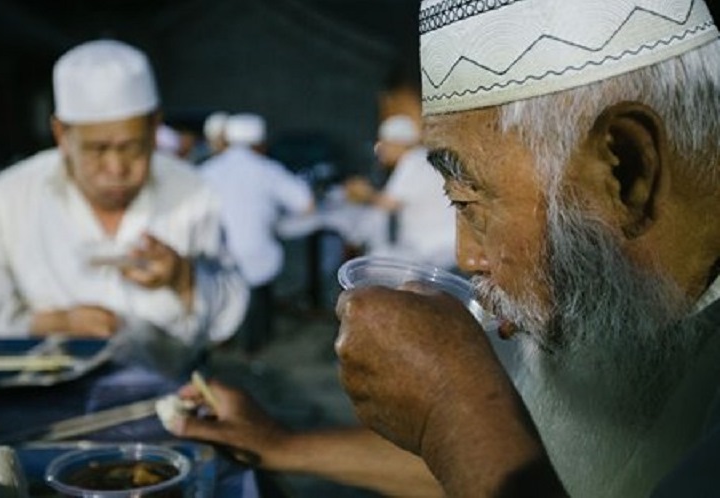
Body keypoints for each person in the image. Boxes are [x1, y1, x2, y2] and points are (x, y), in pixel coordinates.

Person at [162, 1, 720, 496]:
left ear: (625, 171)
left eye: (470, 199)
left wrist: (455, 402)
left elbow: (478, 448)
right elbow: (504, 457)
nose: (468, 256)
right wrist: (280, 445)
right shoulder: (615, 300)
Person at [0, 40, 248, 365]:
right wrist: (54, 325)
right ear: (61, 134)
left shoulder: (193, 192)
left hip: (167, 400)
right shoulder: (9, 198)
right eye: (97, 149)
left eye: (133, 147)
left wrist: (183, 278)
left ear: (155, 126)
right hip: (44, 408)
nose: (116, 169)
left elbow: (229, 317)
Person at [200, 113, 315, 355]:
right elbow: (307, 204)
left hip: (216, 256)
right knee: (259, 295)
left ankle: (224, 341)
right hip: (258, 256)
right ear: (261, 144)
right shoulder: (268, 170)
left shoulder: (207, 171)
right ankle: (255, 348)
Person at [343, 114, 455, 269]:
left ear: (399, 143)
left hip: (432, 248)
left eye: (386, 143)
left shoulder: (413, 161)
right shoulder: (423, 157)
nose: (381, 149)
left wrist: (364, 193)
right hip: (440, 245)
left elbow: (389, 203)